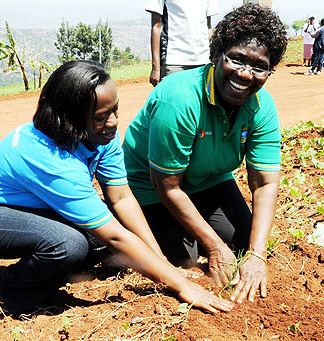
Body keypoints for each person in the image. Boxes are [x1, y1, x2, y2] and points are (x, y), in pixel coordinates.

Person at [0, 60, 234, 315]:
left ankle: (53, 269)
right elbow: (116, 238)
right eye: (101, 117)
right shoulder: (47, 157)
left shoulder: (101, 135)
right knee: (69, 245)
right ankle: (11, 290)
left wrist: (161, 260)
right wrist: (181, 285)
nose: (113, 122)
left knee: (101, 235)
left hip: (31, 206)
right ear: (70, 118)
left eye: (115, 110)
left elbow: (121, 198)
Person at [123, 4, 287, 304]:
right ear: (217, 55)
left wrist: (257, 255)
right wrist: (212, 246)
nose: (245, 74)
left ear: (270, 69)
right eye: (236, 59)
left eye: (259, 66)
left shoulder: (262, 107)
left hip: (208, 180)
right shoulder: (180, 98)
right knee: (186, 260)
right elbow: (166, 184)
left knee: (243, 243)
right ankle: (115, 244)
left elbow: (264, 183)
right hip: (151, 187)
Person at [146, 0, 219, 86]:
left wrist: (215, 56)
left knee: (201, 98)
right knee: (173, 97)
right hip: (174, 61)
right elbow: (156, 26)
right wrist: (156, 67)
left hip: (203, 60)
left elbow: (208, 27)